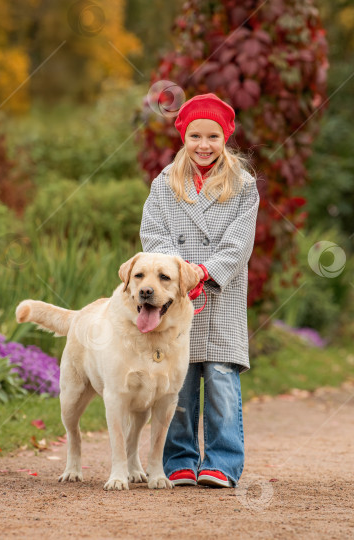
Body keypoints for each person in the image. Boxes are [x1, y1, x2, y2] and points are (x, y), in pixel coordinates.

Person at [139, 93, 260, 488]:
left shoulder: (243, 186)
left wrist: (203, 272)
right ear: (183, 137)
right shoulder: (164, 184)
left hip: (219, 294)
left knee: (222, 379)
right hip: (175, 298)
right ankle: (179, 459)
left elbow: (239, 242)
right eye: (195, 136)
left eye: (212, 136)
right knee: (180, 382)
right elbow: (152, 234)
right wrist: (177, 276)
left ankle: (223, 463)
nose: (203, 145)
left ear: (226, 137)